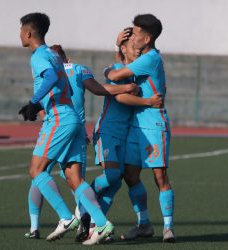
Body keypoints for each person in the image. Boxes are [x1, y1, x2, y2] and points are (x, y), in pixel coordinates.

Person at [25, 44, 138, 242]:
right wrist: (126, 86)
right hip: (76, 127)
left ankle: (42, 225)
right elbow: (98, 89)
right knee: (76, 180)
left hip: (56, 124)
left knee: (37, 172)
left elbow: (43, 105)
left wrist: (37, 109)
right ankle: (97, 224)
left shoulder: (46, 70)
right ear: (65, 58)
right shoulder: (78, 69)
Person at [18, 12, 114, 245]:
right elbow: (66, 88)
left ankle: (65, 217)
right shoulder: (54, 55)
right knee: (74, 178)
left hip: (59, 119)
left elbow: (50, 78)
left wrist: (34, 102)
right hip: (71, 119)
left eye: (21, 30)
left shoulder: (39, 55)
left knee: (36, 170)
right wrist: (40, 104)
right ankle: (102, 224)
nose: (19, 35)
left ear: (29, 33)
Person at [105, 14, 176, 243]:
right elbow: (123, 64)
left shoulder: (150, 59)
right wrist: (118, 46)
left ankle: (168, 227)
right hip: (136, 124)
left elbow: (115, 73)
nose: (132, 37)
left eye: (135, 33)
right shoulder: (143, 57)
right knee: (130, 174)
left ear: (146, 38)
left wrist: (108, 70)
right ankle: (144, 224)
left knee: (159, 175)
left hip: (154, 123)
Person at [88, 27, 163, 241]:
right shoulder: (117, 69)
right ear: (123, 48)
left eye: (139, 46)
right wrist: (147, 100)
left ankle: (101, 225)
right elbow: (120, 96)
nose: (138, 50)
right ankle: (83, 202)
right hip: (109, 131)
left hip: (128, 133)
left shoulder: (136, 71)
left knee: (124, 179)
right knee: (112, 177)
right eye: (133, 47)